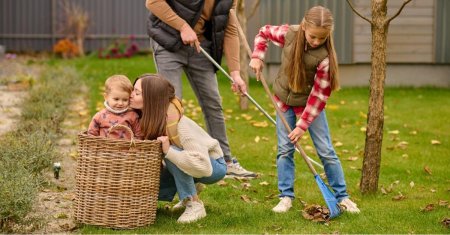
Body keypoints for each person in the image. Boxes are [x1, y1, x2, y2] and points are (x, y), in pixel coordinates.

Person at [249, 6, 360, 213]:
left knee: (326, 151)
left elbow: (319, 95)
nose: (316, 41)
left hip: (310, 107)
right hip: (283, 101)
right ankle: (285, 196)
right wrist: (257, 55)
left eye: (321, 38)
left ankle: (342, 196)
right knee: (284, 150)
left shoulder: (324, 57)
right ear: (303, 26)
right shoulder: (290, 34)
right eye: (313, 36)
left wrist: (302, 125)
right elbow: (263, 32)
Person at [145, 0, 256, 178]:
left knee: (213, 102)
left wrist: (235, 73)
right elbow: (153, 2)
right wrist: (182, 26)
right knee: (172, 106)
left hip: (199, 45)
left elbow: (229, 29)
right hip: (168, 42)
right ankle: (174, 163)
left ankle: (225, 161)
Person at [129, 74, 227, 223]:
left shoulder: (180, 125)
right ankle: (189, 186)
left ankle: (193, 203)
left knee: (171, 152)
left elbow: (204, 167)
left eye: (136, 93)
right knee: (153, 186)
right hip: (189, 162)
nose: (131, 95)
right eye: (132, 90)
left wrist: (169, 152)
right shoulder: (146, 118)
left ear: (151, 98)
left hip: (212, 165)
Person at [88, 75, 142, 139]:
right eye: (116, 99)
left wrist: (136, 144)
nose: (120, 103)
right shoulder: (100, 116)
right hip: (104, 147)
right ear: (106, 97)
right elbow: (91, 133)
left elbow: (139, 134)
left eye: (125, 100)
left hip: (126, 147)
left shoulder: (132, 115)